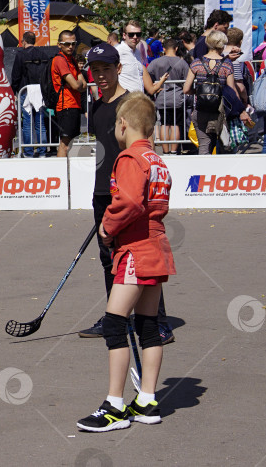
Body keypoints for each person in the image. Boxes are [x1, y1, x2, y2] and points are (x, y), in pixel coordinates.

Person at [77, 92, 176, 433]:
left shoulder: (129, 158)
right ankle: (147, 399)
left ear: (122, 125)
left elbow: (130, 201)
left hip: (136, 248)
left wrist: (107, 225)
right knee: (148, 324)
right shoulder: (158, 160)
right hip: (157, 247)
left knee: (115, 323)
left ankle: (114, 404)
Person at [78, 43, 174, 344]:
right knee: (109, 260)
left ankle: (158, 323)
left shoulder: (132, 104)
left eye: (106, 69)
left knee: (140, 259)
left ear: (118, 69)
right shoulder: (95, 105)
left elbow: (146, 147)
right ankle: (115, 317)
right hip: (102, 190)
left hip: (130, 190)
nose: (101, 76)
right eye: (95, 71)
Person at [183, 30, 235, 155]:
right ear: (222, 45)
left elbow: (186, 89)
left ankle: (203, 173)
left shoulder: (197, 62)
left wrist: (198, 92)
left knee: (204, 146)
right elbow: (231, 90)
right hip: (219, 111)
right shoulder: (227, 64)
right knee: (224, 145)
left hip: (200, 110)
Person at [147, 39, 188, 155]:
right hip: (177, 97)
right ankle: (174, 151)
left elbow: (147, 73)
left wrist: (155, 85)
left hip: (162, 97)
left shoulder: (156, 62)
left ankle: (166, 151)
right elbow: (187, 79)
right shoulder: (182, 63)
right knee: (175, 125)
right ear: (176, 48)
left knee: (164, 124)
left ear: (163, 49)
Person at [10, 31, 48, 157]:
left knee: (27, 123)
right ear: (34, 41)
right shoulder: (43, 54)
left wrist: (14, 90)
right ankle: (42, 151)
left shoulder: (20, 55)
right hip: (40, 92)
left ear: (24, 41)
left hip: (25, 91)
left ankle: (28, 151)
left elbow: (16, 75)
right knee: (40, 122)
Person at [50, 30, 86, 157]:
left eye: (73, 44)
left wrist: (76, 85)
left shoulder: (72, 60)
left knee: (69, 143)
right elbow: (77, 85)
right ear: (59, 44)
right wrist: (77, 84)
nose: (70, 46)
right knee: (64, 144)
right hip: (66, 106)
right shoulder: (60, 60)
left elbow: (83, 85)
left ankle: (66, 172)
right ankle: (61, 174)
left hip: (74, 105)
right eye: (66, 44)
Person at [115, 21, 145, 93]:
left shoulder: (137, 52)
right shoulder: (118, 51)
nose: (135, 37)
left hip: (139, 98)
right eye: (131, 34)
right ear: (124, 35)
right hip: (126, 99)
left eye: (138, 34)